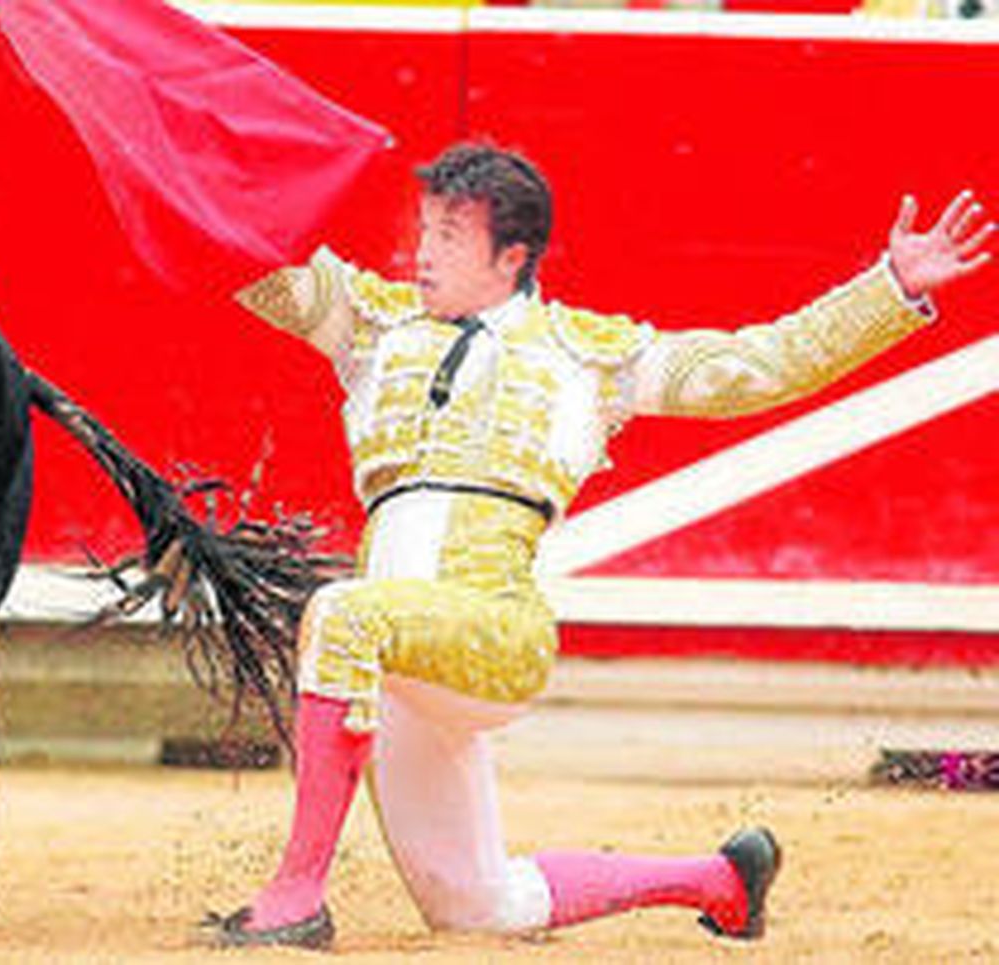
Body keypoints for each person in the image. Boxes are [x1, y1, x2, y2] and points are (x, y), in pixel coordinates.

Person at [204, 142, 993, 949]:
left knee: (339, 612)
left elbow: (757, 366)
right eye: (425, 228)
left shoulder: (587, 357)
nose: (422, 251)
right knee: (478, 906)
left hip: (490, 635)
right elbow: (251, 265)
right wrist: (172, 149)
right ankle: (720, 879)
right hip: (397, 663)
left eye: (448, 235)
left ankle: (295, 897)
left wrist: (888, 290)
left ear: (511, 257)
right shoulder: (371, 325)